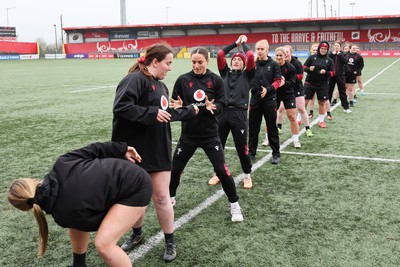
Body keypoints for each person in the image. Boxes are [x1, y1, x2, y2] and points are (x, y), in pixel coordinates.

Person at [112, 43, 198, 262]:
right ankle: (137, 234)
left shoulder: (161, 86)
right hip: (135, 150)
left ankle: (169, 241)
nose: (170, 68)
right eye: (168, 63)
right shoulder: (134, 80)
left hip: (158, 149)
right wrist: (152, 113)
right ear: (154, 62)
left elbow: (163, 114)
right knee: (136, 197)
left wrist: (189, 110)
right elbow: (121, 107)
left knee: (162, 197)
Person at [7, 141, 153, 267]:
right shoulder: (61, 163)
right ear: (32, 181)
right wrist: (123, 149)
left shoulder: (62, 216)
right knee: (76, 225)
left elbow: (98, 224)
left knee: (104, 245)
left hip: (136, 187)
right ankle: (79, 264)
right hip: (127, 172)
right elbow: (95, 148)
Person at [169, 47, 244, 222]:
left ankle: (235, 206)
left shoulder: (216, 80)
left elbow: (222, 104)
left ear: (207, 61)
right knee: (175, 170)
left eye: (200, 62)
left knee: (222, 171)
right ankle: (170, 199)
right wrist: (180, 107)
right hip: (188, 135)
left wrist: (214, 107)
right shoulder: (183, 80)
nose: (196, 65)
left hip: (210, 135)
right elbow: (175, 105)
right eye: (193, 62)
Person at [207, 35, 255, 189]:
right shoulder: (225, 73)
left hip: (239, 114)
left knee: (242, 148)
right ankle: (218, 173)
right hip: (223, 114)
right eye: (234, 59)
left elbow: (251, 56)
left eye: (239, 60)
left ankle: (247, 175)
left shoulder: (248, 75)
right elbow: (221, 54)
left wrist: (244, 44)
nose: (236, 61)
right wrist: (235, 44)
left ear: (244, 64)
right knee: (218, 145)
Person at [248, 39, 282, 164]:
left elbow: (278, 81)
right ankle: (251, 153)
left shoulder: (274, 64)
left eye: (262, 49)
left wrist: (268, 89)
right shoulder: (253, 64)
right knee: (253, 128)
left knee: (272, 127)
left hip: (269, 99)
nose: (260, 51)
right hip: (255, 99)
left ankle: (276, 154)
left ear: (267, 50)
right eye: (258, 49)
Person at [273, 45, 313, 143]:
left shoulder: (296, 63)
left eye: (287, 52)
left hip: (296, 87)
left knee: (301, 108)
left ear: (291, 53)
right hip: (284, 89)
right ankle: (279, 127)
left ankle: (307, 128)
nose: (286, 54)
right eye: (284, 52)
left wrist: (287, 79)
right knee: (281, 109)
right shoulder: (277, 64)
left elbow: (299, 77)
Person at [273, 47, 301, 148]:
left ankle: (296, 139)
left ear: (285, 56)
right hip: (275, 94)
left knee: (292, 117)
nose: (279, 57)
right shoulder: (273, 66)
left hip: (288, 94)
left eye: (281, 55)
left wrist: (284, 82)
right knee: (270, 116)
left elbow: (292, 84)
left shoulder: (291, 68)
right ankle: (268, 138)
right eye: (277, 55)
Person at [303, 41, 334, 129]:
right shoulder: (312, 57)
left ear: (327, 50)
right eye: (322, 48)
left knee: (321, 103)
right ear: (319, 48)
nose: (323, 50)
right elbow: (304, 67)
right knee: (304, 102)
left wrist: (326, 72)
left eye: (325, 49)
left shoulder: (329, 60)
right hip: (309, 83)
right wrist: (309, 69)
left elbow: (333, 73)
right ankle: (299, 118)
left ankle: (321, 121)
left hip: (322, 85)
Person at [328, 40, 352, 113]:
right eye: (335, 46)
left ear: (340, 47)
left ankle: (346, 107)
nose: (336, 47)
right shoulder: (330, 54)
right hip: (331, 75)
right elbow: (327, 61)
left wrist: (339, 54)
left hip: (340, 75)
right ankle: (327, 106)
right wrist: (332, 54)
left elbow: (345, 61)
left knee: (342, 91)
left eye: (338, 46)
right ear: (333, 46)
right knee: (329, 91)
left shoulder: (343, 54)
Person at [344, 43, 364, 107]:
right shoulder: (345, 55)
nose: (354, 49)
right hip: (344, 74)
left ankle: (351, 101)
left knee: (350, 88)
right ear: (350, 48)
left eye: (355, 48)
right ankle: (342, 100)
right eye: (353, 48)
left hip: (352, 75)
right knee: (344, 87)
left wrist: (357, 71)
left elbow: (361, 65)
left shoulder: (359, 56)